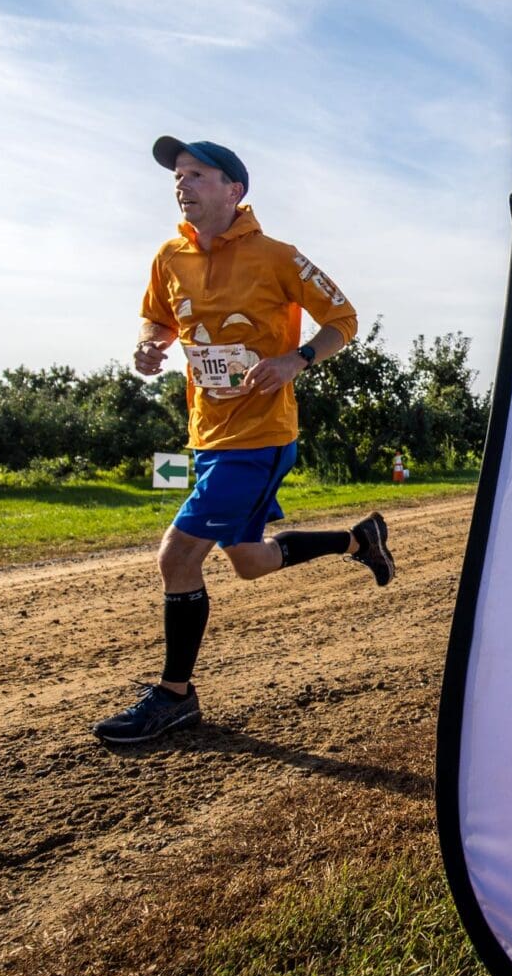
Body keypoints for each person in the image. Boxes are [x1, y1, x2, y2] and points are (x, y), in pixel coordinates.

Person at [93, 136, 395, 744]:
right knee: (249, 563)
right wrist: (150, 344)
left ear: (234, 189)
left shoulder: (277, 256)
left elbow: (344, 319)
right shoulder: (168, 257)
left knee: (176, 559)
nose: (182, 184)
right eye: (178, 175)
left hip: (259, 437)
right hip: (207, 433)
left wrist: (297, 359)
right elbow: (159, 316)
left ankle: (175, 696)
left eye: (196, 174)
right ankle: (357, 540)